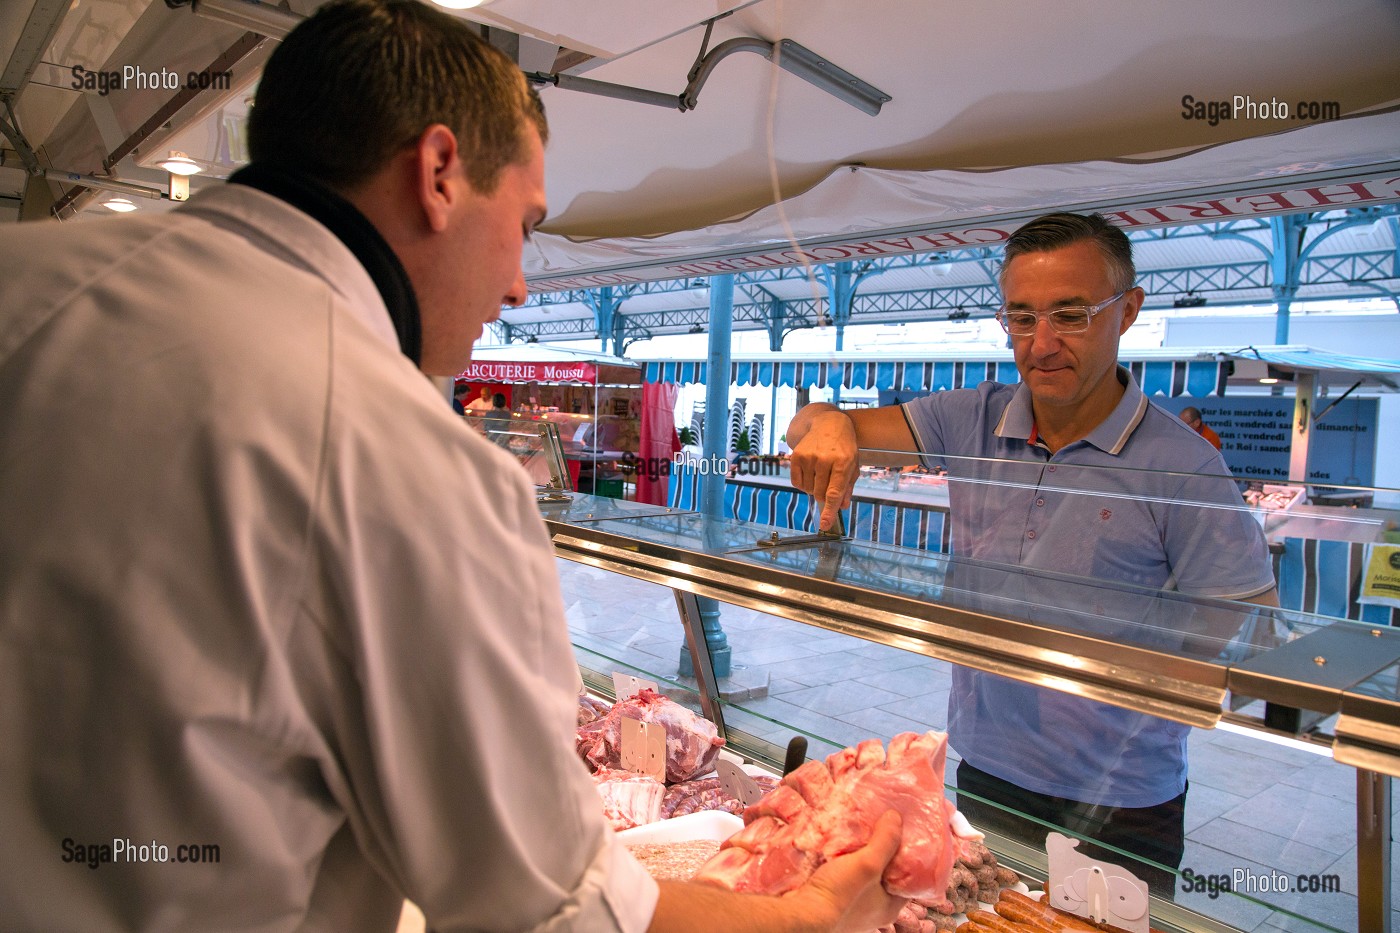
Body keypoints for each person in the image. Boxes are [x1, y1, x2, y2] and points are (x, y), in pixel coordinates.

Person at [0, 2, 905, 931]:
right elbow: (547, 915)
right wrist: (814, 917)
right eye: (524, 220)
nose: (518, 283)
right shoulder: (405, 458)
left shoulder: (21, 274)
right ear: (437, 174)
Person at [786, 212, 1278, 895]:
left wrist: (1131, 659)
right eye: (1021, 318)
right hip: (987, 767)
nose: (1040, 344)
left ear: (1127, 311)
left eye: (1070, 315)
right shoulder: (971, 418)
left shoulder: (1182, 465)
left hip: (1121, 796)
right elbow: (810, 423)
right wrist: (831, 424)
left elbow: (1253, 628)